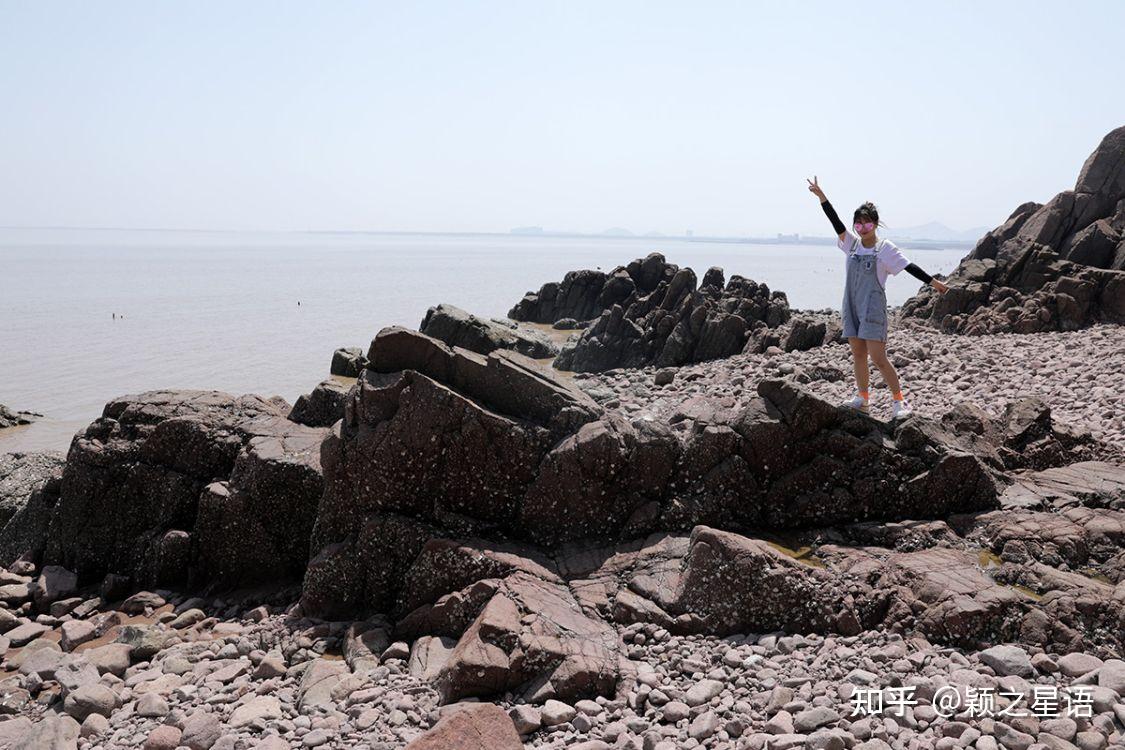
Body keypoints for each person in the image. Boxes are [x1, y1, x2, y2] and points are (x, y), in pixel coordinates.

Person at [806, 176, 949, 418]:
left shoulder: (885, 249)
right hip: (851, 305)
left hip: (872, 308)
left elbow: (909, 266)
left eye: (867, 224)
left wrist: (934, 283)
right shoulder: (850, 245)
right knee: (858, 354)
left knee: (879, 358)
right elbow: (836, 222)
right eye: (858, 225)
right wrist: (822, 197)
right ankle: (862, 399)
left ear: (875, 224)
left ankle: (899, 401)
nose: (862, 229)